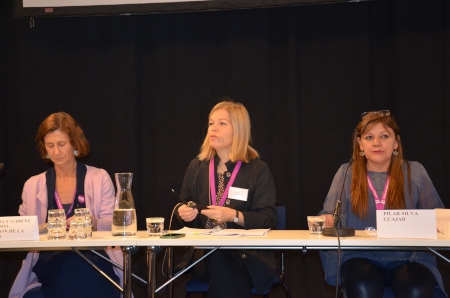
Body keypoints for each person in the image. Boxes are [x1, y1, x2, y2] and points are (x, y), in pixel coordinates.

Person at [319, 110, 446, 298]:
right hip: (359, 256)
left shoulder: (415, 171)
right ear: (360, 144)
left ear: (396, 143)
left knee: (415, 288)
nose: (376, 143)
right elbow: (327, 215)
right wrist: (325, 221)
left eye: (384, 136)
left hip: (409, 257)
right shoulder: (346, 173)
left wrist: (436, 225)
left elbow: (439, 216)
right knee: (364, 285)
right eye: (369, 137)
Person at [9, 112, 123, 298]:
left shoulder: (99, 177)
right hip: (50, 259)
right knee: (69, 263)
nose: (55, 152)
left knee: (75, 263)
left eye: (61, 144)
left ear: (75, 144)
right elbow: (24, 230)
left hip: (94, 257)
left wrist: (92, 222)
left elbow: (114, 224)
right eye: (50, 145)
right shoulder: (33, 184)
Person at [176, 100, 278, 298]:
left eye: (222, 123)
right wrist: (183, 212)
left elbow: (269, 218)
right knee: (216, 255)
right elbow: (183, 203)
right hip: (204, 258)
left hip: (247, 257)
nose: (214, 128)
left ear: (238, 130)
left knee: (222, 281)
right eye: (211, 123)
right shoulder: (196, 167)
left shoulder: (257, 170)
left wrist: (234, 215)